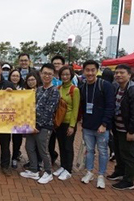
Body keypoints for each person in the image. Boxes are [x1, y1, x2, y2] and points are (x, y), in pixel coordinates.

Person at [19, 63, 60, 184]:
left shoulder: (54, 91)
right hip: (32, 125)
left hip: (43, 127)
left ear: (53, 76)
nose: (47, 76)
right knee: (29, 147)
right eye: (45, 73)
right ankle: (34, 170)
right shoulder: (39, 90)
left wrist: (37, 126)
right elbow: (30, 106)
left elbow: (49, 110)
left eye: (50, 74)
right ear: (40, 74)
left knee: (43, 150)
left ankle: (48, 172)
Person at [79, 60, 115, 189]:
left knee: (103, 151)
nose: (89, 73)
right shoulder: (82, 87)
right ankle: (89, 172)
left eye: (92, 70)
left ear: (97, 71)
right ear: (83, 71)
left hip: (102, 127)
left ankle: (101, 175)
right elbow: (82, 107)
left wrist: (104, 124)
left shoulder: (105, 86)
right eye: (87, 70)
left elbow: (111, 106)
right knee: (89, 151)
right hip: (87, 126)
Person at [107, 64, 134, 190]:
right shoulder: (118, 88)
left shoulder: (132, 90)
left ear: (129, 75)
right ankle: (120, 171)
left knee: (128, 154)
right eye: (116, 72)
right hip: (117, 128)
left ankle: (129, 180)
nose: (118, 75)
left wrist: (131, 131)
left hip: (127, 129)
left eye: (122, 72)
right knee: (118, 152)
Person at [53, 66, 80, 180]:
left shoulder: (74, 90)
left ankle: (68, 169)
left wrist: (72, 126)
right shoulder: (58, 88)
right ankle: (63, 166)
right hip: (60, 122)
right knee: (61, 145)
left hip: (69, 122)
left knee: (68, 146)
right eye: (63, 74)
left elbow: (75, 109)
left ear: (71, 75)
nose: (65, 76)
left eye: (67, 74)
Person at [8, 70, 24, 169]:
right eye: (13, 75)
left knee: (17, 139)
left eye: (17, 76)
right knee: (6, 140)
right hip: (6, 118)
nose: (15, 77)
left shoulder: (24, 89)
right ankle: (5, 158)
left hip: (19, 119)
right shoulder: (5, 87)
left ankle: (14, 157)